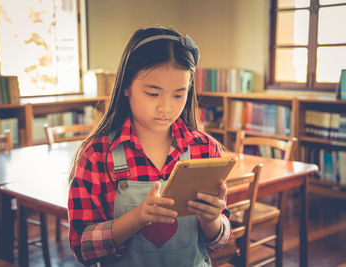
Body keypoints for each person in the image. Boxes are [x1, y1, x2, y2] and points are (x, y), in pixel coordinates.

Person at [68, 26, 231, 267]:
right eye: (153, 94)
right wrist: (136, 219)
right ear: (126, 87)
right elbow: (82, 247)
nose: (166, 108)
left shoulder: (204, 149)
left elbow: (219, 240)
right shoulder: (97, 155)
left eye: (178, 95)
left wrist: (212, 220)